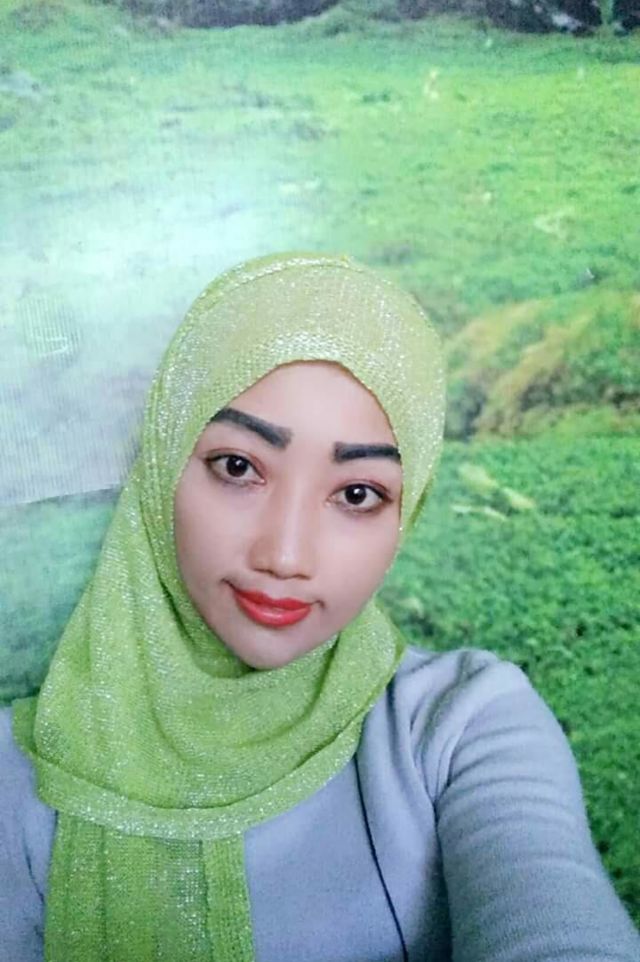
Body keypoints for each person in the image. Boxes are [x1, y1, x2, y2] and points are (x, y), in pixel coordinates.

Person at [0, 251, 638, 962]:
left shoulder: (458, 729)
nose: (285, 554)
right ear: (161, 467)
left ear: (407, 510)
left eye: (357, 494)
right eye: (238, 467)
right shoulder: (17, 779)